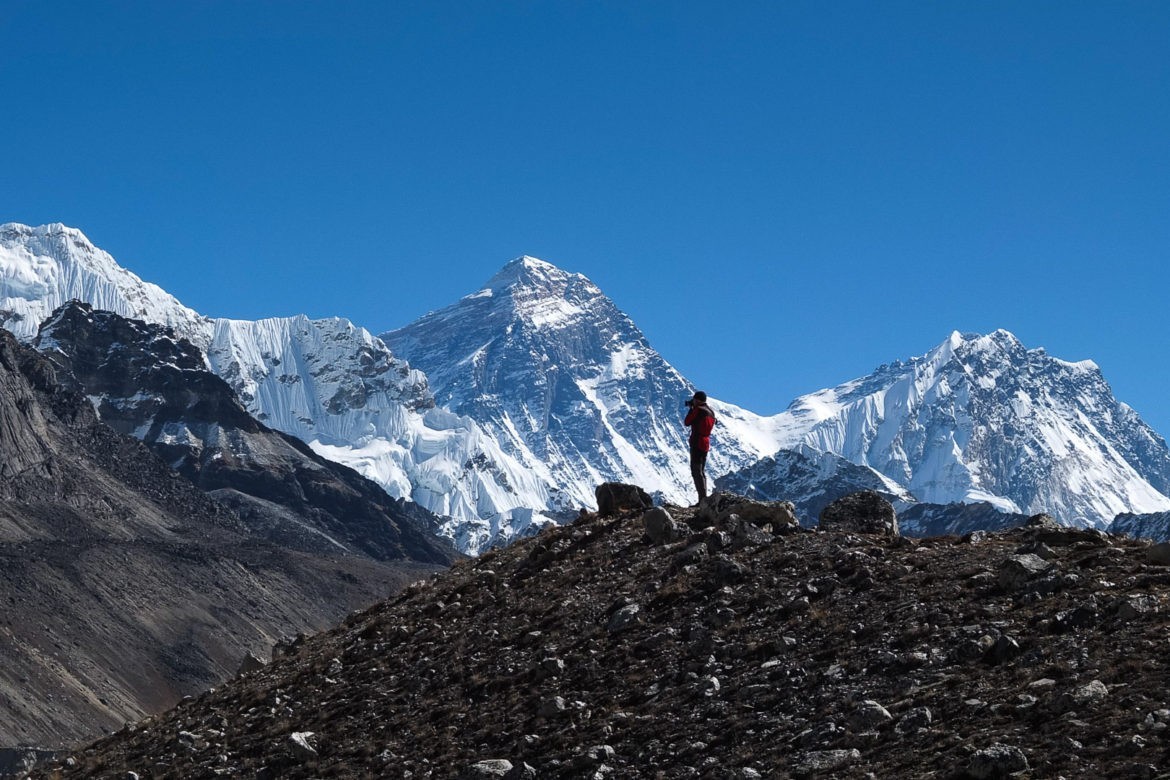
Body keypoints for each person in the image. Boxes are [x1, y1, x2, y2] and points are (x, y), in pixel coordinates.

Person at [684, 390, 717, 504]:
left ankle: (702, 500)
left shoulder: (698, 410)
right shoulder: (710, 411)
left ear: (697, 400)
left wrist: (691, 409)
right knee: (701, 471)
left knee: (696, 471)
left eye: (694, 399)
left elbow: (687, 422)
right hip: (705, 443)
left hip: (697, 442)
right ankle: (703, 498)